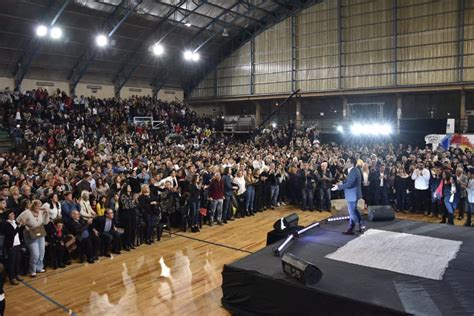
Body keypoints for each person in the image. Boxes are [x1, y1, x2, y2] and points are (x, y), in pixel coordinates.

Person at [17, 199, 50, 277]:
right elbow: (18, 221)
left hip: (40, 233)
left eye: (40, 206)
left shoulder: (41, 212)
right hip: (30, 235)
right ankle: (32, 270)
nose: (39, 207)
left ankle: (39, 267)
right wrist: (24, 225)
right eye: (37, 206)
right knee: (35, 254)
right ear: (33, 205)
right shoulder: (27, 213)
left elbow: (45, 222)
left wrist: (47, 213)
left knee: (42, 252)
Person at [332, 157, 364, 235]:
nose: (346, 163)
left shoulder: (353, 171)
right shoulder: (354, 170)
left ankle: (351, 229)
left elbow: (350, 184)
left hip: (352, 195)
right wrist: (342, 183)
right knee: (354, 210)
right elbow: (348, 181)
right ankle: (360, 225)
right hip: (354, 194)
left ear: (352, 164)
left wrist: (338, 187)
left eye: (348, 162)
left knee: (352, 212)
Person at [3, 210, 22, 285]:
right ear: (8, 215)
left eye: (13, 214)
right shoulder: (6, 224)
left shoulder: (14, 222)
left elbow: (18, 233)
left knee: (17, 261)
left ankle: (17, 274)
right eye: (11, 214)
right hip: (11, 245)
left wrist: (18, 226)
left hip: (17, 244)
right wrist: (18, 226)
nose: (13, 215)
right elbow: (12, 233)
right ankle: (12, 278)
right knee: (12, 262)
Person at [120, 185, 137, 249]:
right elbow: (126, 206)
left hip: (133, 212)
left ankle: (131, 243)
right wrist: (133, 200)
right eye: (128, 187)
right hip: (127, 213)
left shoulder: (132, 195)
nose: (130, 188)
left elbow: (134, 205)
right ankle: (126, 244)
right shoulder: (123, 195)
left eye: (130, 187)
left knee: (133, 228)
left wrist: (134, 200)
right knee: (128, 229)